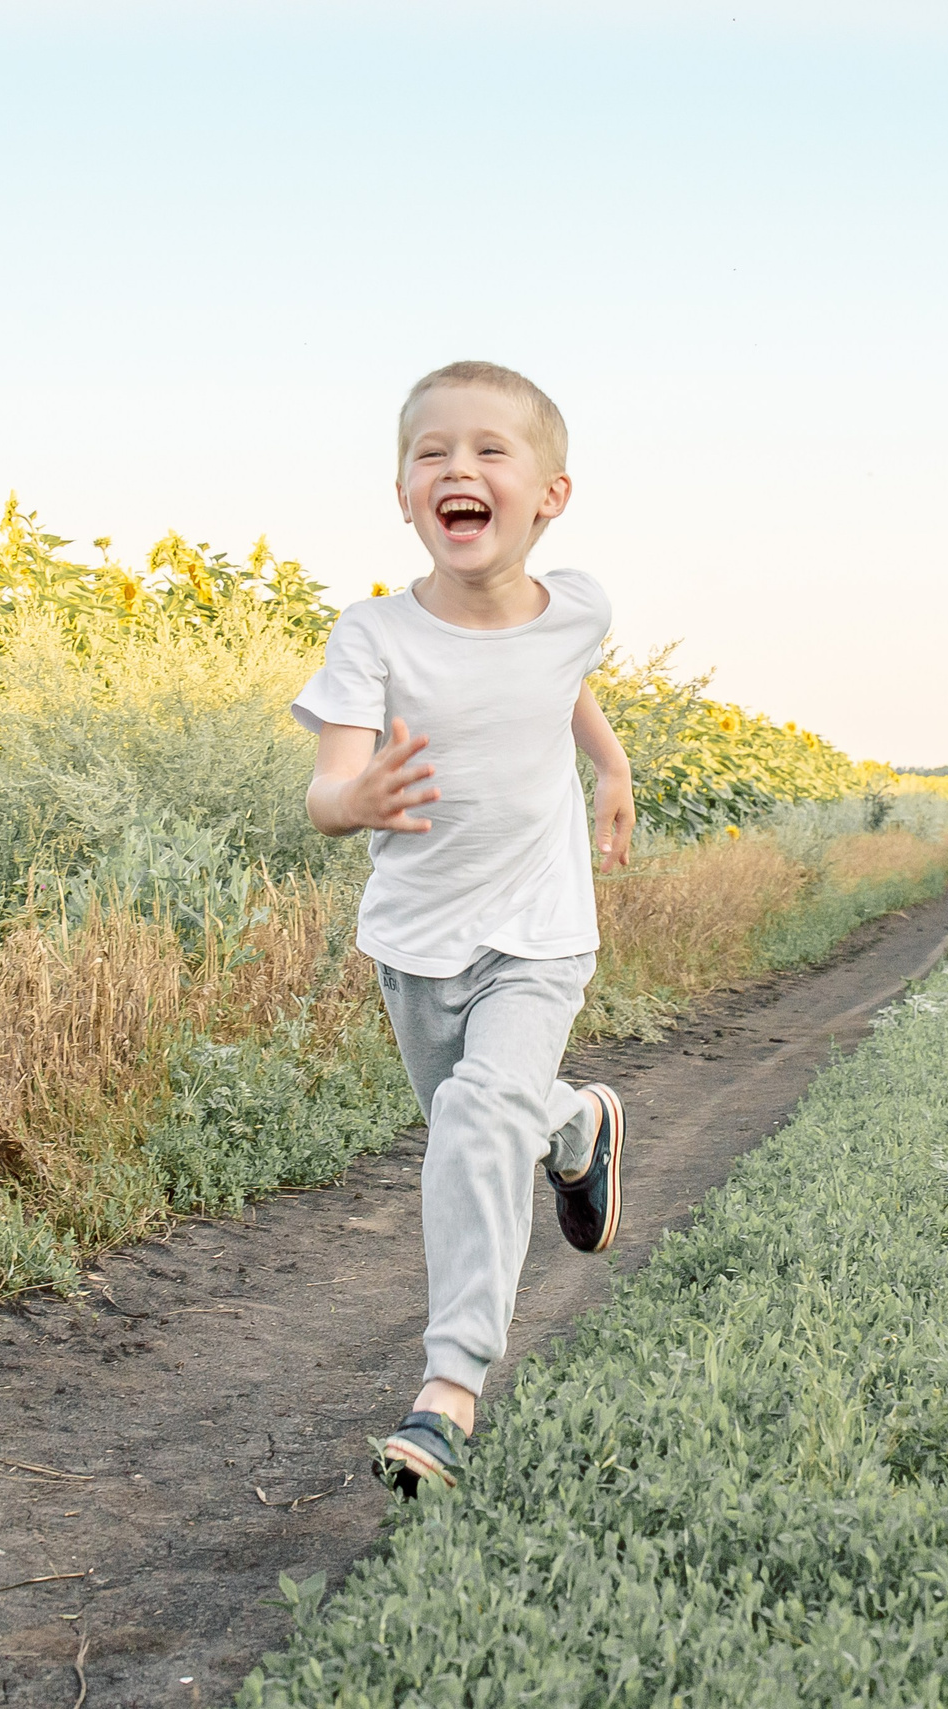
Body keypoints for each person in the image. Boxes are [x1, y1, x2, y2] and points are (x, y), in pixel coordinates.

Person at [291, 359, 635, 1497]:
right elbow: (325, 786)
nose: (459, 467)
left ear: (551, 495)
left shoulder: (577, 602)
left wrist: (612, 767)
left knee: (473, 1122)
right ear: (403, 495)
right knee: (474, 1112)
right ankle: (577, 1124)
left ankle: (448, 1392)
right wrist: (358, 799)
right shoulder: (374, 636)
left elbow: (559, 673)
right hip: (414, 942)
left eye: (492, 450)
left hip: (539, 930)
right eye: (432, 452)